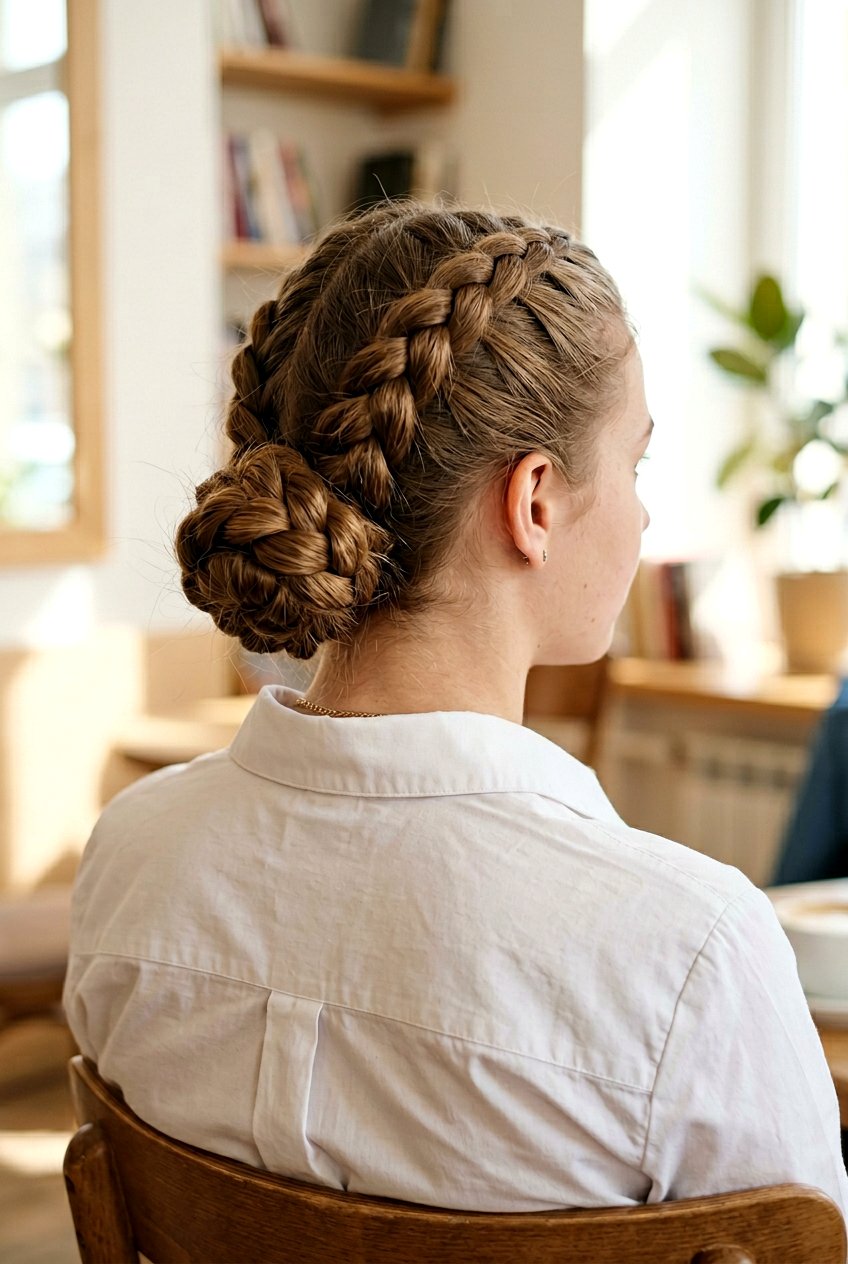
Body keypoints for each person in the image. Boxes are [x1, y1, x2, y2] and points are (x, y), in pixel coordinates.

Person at [63, 201, 848, 1218]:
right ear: (534, 502)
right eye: (635, 464)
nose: (643, 509)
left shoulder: (130, 857)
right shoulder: (692, 953)